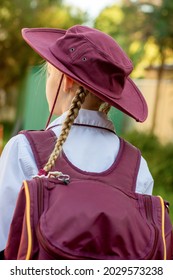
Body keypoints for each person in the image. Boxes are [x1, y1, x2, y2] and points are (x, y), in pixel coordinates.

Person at [0, 25, 153, 256]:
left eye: (50, 74)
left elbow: (3, 240)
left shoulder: (24, 149)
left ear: (67, 82)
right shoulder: (137, 166)